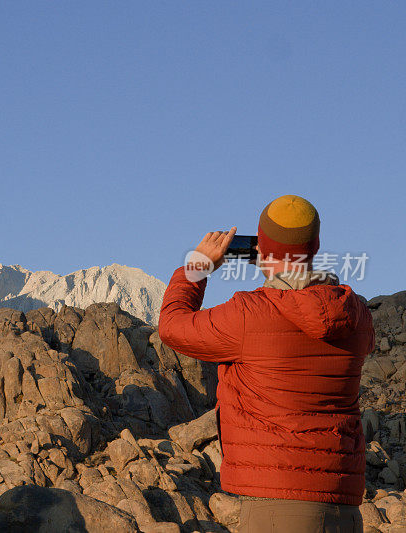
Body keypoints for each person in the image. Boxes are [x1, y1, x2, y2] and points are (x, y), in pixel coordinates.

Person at [158, 195, 374, 533]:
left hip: (277, 504)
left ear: (262, 246)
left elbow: (172, 328)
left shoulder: (250, 314)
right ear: (315, 245)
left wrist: (196, 269)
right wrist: (283, 266)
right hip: (344, 506)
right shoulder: (357, 315)